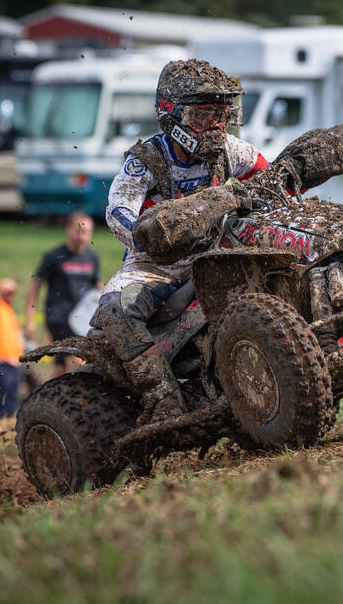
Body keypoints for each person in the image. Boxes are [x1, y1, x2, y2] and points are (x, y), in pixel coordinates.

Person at [89, 58, 269, 424]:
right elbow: (117, 210)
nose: (214, 126)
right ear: (173, 115)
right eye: (203, 116)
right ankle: (161, 396)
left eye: (221, 114)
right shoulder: (146, 161)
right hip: (156, 264)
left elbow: (269, 176)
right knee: (112, 310)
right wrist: (148, 237)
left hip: (217, 252)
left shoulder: (230, 149)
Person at [25, 212, 103, 376]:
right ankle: (76, 396)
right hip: (58, 316)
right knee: (75, 356)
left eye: (86, 232)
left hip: (81, 317)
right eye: (78, 231)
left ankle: (54, 397)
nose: (82, 236)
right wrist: (30, 320)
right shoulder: (54, 256)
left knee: (60, 364)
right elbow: (34, 287)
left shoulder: (92, 257)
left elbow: (99, 288)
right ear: (68, 230)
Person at [0, 278, 23, 419]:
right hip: (0, 362)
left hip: (13, 362)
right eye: (7, 292)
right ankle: (0, 425)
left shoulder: (9, 310)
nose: (10, 296)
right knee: (1, 399)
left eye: (12, 293)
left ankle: (6, 427)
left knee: (11, 399)